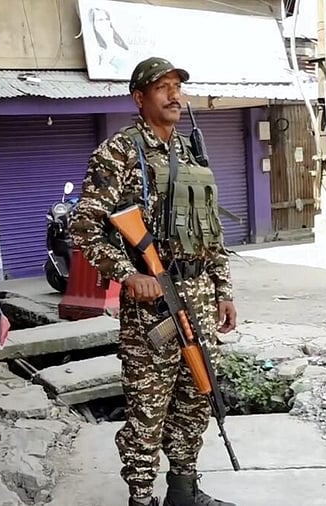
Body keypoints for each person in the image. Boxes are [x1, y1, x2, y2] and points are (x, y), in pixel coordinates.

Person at [69, 57, 238, 506]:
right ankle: (141, 498)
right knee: (149, 408)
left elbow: (210, 231)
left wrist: (223, 289)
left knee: (197, 396)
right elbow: (83, 226)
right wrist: (127, 275)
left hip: (199, 294)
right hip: (151, 305)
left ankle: (183, 491)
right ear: (139, 98)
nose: (173, 95)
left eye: (177, 86)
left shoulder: (190, 151)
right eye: (161, 87)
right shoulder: (119, 152)